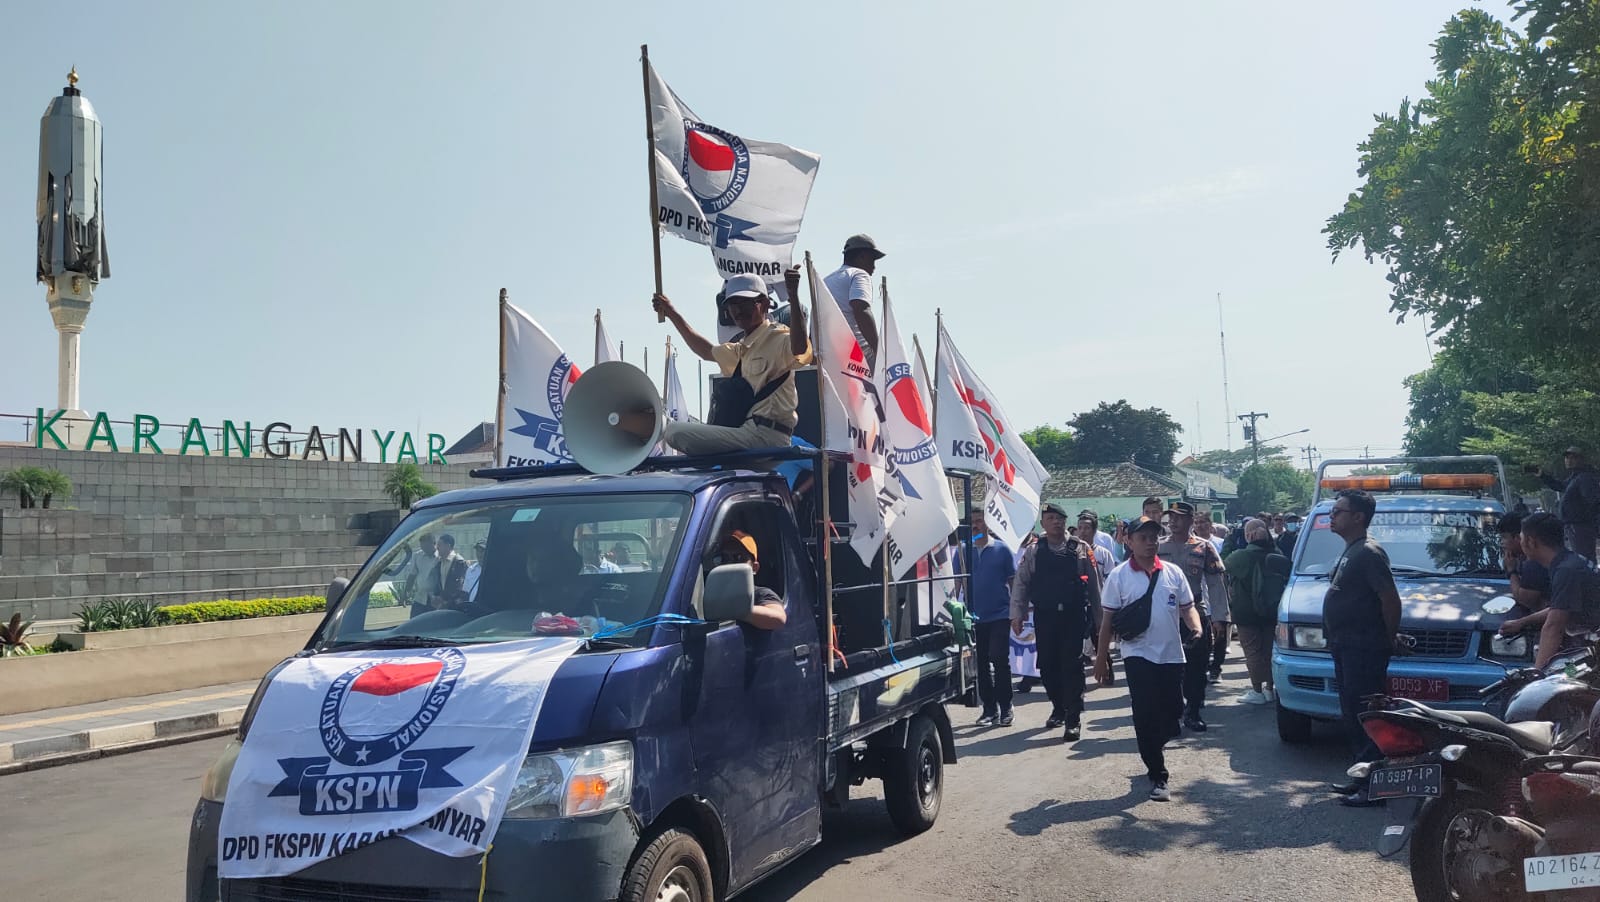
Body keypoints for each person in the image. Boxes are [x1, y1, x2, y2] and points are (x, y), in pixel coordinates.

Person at [1094, 516, 1201, 802]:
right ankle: (1158, 773)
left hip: (1171, 654)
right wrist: (1101, 659)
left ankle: (1157, 743)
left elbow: (1187, 607)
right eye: (1143, 537)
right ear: (1128, 541)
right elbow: (1107, 623)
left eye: (1154, 537)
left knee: (1173, 714)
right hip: (1136, 653)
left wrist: (1196, 627)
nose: (1151, 542)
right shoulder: (1118, 576)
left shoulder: (1173, 572)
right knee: (1144, 714)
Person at [651, 270, 812, 455]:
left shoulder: (777, 337)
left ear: (765, 304)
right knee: (696, 462)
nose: (738, 310)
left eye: (746, 302)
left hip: (767, 435)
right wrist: (671, 312)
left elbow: (799, 349)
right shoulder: (741, 349)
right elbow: (704, 350)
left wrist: (793, 296)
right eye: (733, 304)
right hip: (748, 434)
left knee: (673, 431)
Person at [1320, 489, 1403, 807]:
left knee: (1369, 715)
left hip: (1363, 647)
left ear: (1358, 517)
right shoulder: (1351, 550)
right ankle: (1360, 777)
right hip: (1345, 645)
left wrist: (1387, 638)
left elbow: (1390, 599)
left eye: (1338, 511)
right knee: (1352, 714)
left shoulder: (1369, 552)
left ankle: (1375, 786)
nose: (1333, 515)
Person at [1011, 502, 1102, 742]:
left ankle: (1073, 718)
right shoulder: (1034, 550)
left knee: (1071, 666)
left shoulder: (1080, 549)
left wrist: (1101, 621)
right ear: (1043, 523)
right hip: (1045, 615)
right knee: (1048, 666)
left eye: (1059, 518)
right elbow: (1021, 583)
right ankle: (1058, 708)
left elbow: (1094, 587)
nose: (1056, 522)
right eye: (1050, 518)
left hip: (1073, 616)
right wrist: (1017, 614)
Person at [1157, 501, 1224, 732]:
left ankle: (1193, 711)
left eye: (1179, 517)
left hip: (1195, 611)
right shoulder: (1157, 546)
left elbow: (1215, 584)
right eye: (1171, 517)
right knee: (1168, 666)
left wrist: (1220, 617)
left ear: (1190, 520)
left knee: (1197, 665)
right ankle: (1173, 711)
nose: (1174, 522)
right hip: (1165, 613)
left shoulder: (1203, 547)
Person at [1505, 513, 1600, 668]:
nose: (1520, 542)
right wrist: (1521, 622)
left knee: (1559, 688)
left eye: (1521, 538)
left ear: (1530, 542)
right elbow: (1560, 607)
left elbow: (1553, 627)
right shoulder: (1568, 562)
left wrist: (1537, 676)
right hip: (1587, 644)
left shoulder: (1566, 570)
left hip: (1590, 649)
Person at [1225, 519, 1289, 704]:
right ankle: (1270, 688)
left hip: (1247, 613)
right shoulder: (1277, 553)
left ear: (1249, 535)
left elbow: (1223, 562)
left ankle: (1256, 691)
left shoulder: (1242, 556)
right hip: (1272, 611)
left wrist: (1230, 540)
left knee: (1253, 652)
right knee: (1269, 651)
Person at [967, 511, 1017, 726]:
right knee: (980, 664)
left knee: (998, 658)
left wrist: (1016, 611)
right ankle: (989, 709)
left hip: (1000, 614)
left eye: (979, 521)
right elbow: (958, 584)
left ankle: (1006, 706)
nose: (975, 526)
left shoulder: (1002, 549)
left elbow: (1013, 582)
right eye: (971, 523)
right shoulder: (964, 551)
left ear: (987, 523)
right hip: (975, 617)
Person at [822, 234, 884, 368]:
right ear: (862, 257)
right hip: (856, 356)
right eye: (872, 260)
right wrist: (880, 352)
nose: (874, 267)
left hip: (828, 356)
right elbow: (861, 309)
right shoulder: (859, 274)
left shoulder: (825, 282)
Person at [712, 530, 787, 630]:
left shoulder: (760, 594)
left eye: (738, 557)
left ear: (754, 568)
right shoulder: (712, 592)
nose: (730, 563)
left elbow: (779, 618)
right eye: (724, 558)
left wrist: (735, 609)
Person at [1538, 447, 1600, 560]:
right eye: (1567, 457)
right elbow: (1560, 486)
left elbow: (1593, 502)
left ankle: (1587, 578)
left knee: (1584, 559)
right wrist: (1543, 476)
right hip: (1575, 526)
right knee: (1581, 558)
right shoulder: (1575, 477)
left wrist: (1586, 521)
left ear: (1582, 460)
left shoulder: (1585, 477)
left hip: (1581, 526)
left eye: (1573, 458)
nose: (1569, 460)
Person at [1193, 512, 1231, 683]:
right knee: (1204, 636)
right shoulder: (1190, 545)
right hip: (1200, 597)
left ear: (1210, 524)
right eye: (1197, 522)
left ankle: (1216, 667)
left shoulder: (1220, 544)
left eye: (1203, 522)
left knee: (1221, 631)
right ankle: (1203, 667)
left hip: (1218, 591)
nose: (1200, 525)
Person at [1495, 511, 1551, 626]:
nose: (1501, 542)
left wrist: (1512, 571)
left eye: (1504, 537)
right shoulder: (1525, 559)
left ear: (1518, 538)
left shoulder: (1533, 563)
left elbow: (1526, 599)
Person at [403, 533, 440, 616]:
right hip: (420, 598)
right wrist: (406, 592)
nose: (424, 550)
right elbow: (412, 575)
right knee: (414, 624)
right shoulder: (417, 556)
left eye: (427, 547)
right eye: (422, 547)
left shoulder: (440, 557)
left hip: (434, 599)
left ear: (434, 544)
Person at [429, 534, 469, 610]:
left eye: (440, 545)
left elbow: (459, 586)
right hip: (443, 605)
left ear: (448, 546)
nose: (437, 548)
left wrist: (446, 600)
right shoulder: (439, 563)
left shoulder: (459, 562)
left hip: (455, 605)